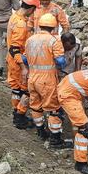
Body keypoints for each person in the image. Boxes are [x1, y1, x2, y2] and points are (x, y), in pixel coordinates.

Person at [25, 14, 67, 147]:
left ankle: (40, 131)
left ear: (40, 25)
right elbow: (60, 61)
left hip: (32, 78)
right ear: (54, 27)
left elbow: (25, 59)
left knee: (36, 106)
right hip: (47, 80)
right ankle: (55, 139)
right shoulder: (54, 40)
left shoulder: (30, 40)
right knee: (54, 109)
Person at [6, 0, 39, 129]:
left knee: (16, 88)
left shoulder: (14, 17)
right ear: (31, 8)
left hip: (12, 61)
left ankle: (16, 112)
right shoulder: (21, 24)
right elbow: (15, 48)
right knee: (26, 90)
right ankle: (20, 116)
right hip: (19, 62)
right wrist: (24, 67)